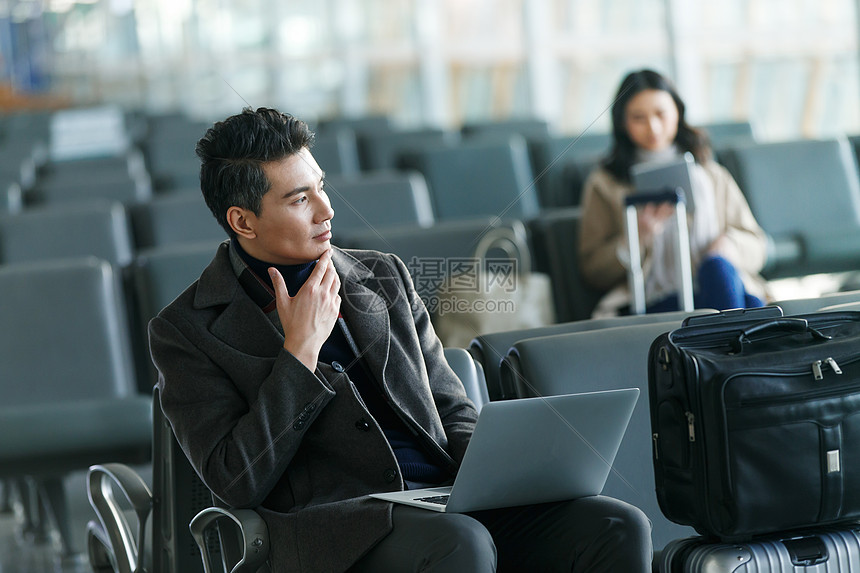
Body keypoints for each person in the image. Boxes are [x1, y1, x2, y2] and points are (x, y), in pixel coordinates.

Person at [148, 107, 652, 572]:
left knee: (615, 524)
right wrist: (299, 354)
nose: (326, 210)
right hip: (339, 527)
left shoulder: (382, 276)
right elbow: (237, 479)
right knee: (461, 543)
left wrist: (502, 476)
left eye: (320, 187)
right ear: (242, 221)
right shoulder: (187, 330)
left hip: (442, 499)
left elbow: (450, 408)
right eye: (299, 199)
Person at [578, 69, 769, 316]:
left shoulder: (711, 174)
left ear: (677, 112)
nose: (653, 127)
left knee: (719, 270)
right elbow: (593, 270)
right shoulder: (605, 184)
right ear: (622, 123)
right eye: (638, 118)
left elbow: (757, 244)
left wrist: (729, 245)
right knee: (750, 311)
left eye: (661, 114)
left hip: (715, 284)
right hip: (651, 299)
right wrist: (636, 239)